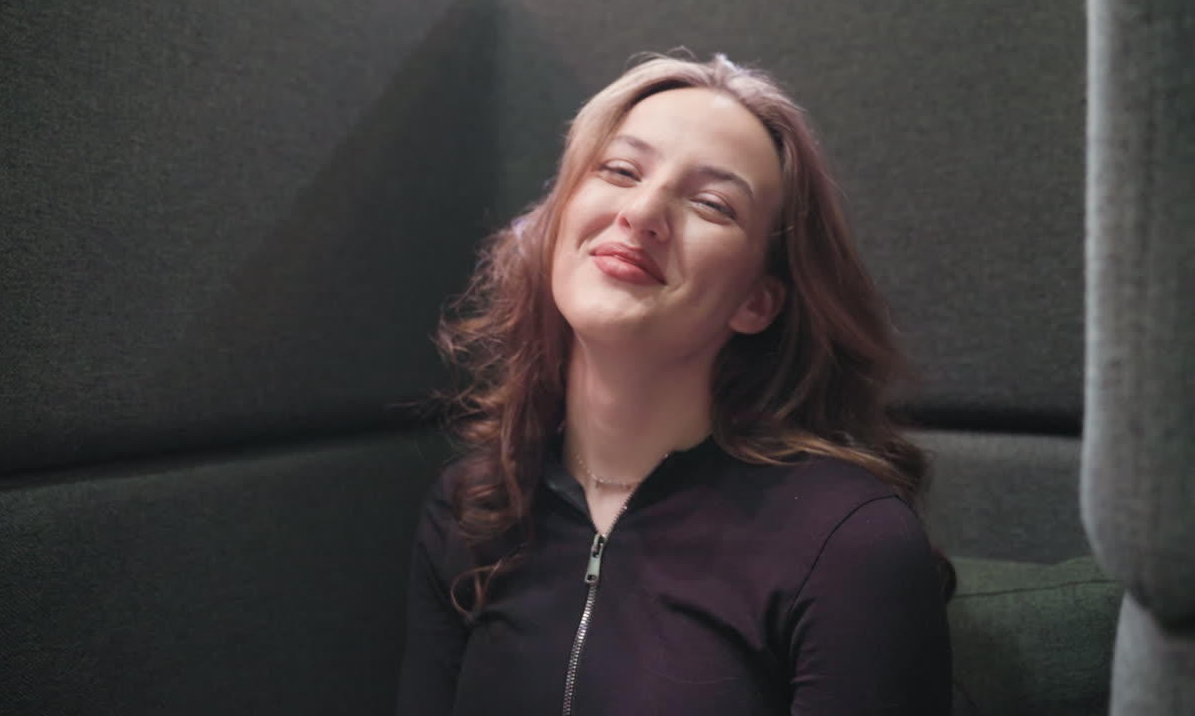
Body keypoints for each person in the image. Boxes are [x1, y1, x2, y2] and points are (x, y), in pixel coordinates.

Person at [397, 53, 953, 715]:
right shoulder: (475, 505)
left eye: (713, 205)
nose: (643, 210)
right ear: (556, 224)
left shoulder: (852, 543)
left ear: (757, 301)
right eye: (620, 170)